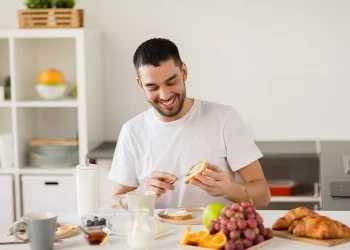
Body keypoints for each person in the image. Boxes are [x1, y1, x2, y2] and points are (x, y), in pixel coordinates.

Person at [108, 38, 271, 209]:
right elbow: (115, 200)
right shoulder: (132, 130)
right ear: (140, 84)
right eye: (152, 87)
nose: (164, 95)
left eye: (171, 82)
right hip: (159, 235)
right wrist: (140, 194)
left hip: (215, 234)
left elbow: (263, 196)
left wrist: (229, 189)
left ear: (184, 72)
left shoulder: (224, 118)